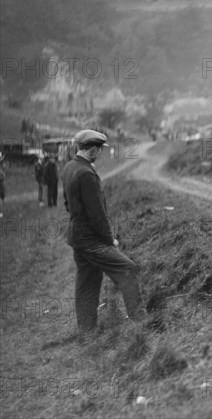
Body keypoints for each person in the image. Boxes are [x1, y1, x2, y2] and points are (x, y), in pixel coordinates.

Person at [62, 129, 145, 332]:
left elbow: (67, 204)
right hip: (91, 239)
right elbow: (97, 214)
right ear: (92, 150)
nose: (99, 153)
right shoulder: (86, 174)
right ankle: (141, 322)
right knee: (127, 269)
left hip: (77, 237)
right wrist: (109, 240)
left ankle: (87, 332)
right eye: (98, 150)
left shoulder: (69, 168)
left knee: (87, 283)